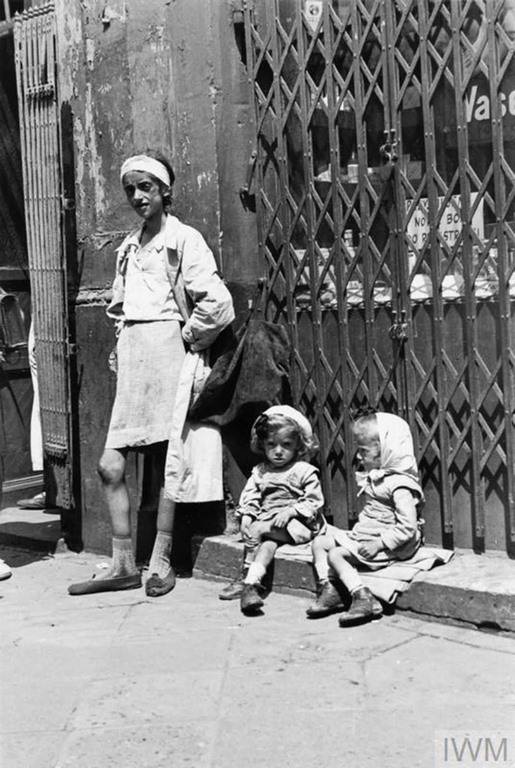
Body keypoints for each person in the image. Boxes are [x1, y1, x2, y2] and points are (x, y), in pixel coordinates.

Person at [68, 151, 234, 597]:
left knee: (166, 464)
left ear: (165, 190)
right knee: (110, 466)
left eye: (146, 187)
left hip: (168, 352)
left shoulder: (184, 241)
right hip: (133, 356)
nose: (138, 196)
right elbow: (120, 306)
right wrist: (124, 345)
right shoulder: (129, 246)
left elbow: (218, 304)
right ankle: (123, 564)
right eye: (130, 189)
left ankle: (160, 559)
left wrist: (188, 337)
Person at [306, 409, 424, 626]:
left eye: (363, 451)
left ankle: (362, 596)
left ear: (385, 451)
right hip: (367, 534)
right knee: (319, 542)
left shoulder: (400, 485)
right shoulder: (376, 478)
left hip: (391, 543)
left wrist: (379, 543)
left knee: (336, 555)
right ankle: (330, 589)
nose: (358, 456)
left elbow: (408, 527)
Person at [230, 405, 326, 615]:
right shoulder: (261, 471)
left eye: (286, 445)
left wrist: (290, 511)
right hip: (270, 525)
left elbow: (314, 500)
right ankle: (251, 586)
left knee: (258, 531)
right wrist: (247, 514)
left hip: (295, 525)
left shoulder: (303, 470)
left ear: (298, 445)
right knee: (266, 547)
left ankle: (245, 575)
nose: (278, 451)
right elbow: (252, 494)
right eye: (271, 445)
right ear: (263, 445)